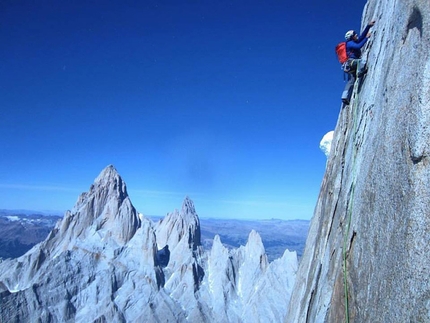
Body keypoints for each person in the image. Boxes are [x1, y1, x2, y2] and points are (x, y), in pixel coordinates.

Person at [341, 21, 376, 105]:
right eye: (355, 35)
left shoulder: (352, 42)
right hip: (352, 62)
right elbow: (359, 46)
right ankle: (360, 72)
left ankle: (345, 96)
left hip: (350, 65)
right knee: (362, 61)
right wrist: (367, 38)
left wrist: (368, 26)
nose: (356, 35)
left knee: (352, 80)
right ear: (352, 37)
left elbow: (361, 37)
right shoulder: (349, 44)